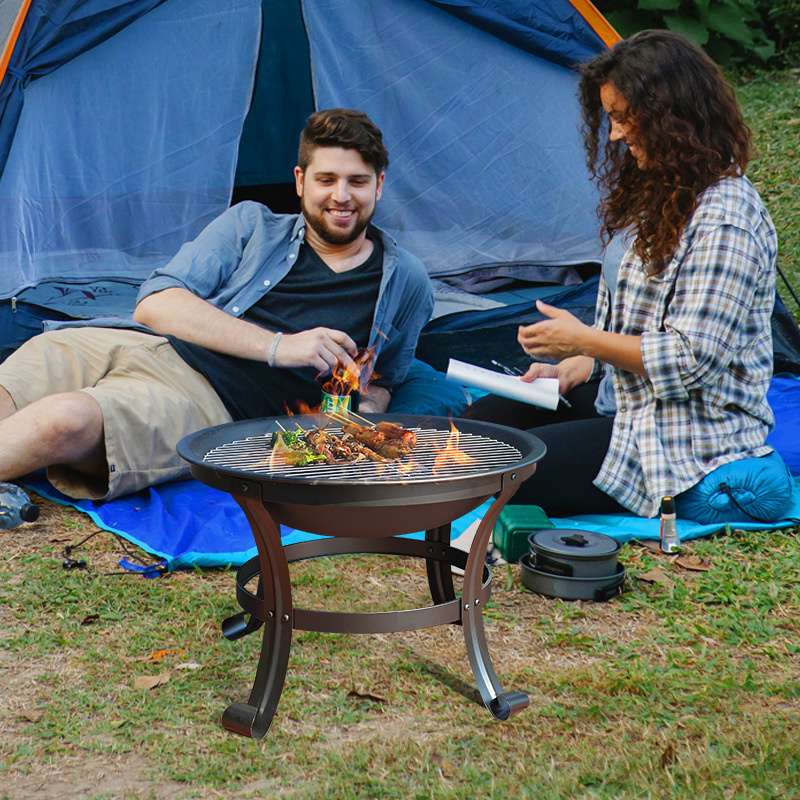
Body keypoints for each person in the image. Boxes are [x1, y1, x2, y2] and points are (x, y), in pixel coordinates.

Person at [0, 109, 434, 501]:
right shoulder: (251, 225)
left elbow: (382, 378)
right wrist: (280, 346)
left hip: (207, 400)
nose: (341, 196)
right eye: (326, 180)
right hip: (140, 342)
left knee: (64, 419)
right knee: (16, 383)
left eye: (357, 181)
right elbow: (155, 304)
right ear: (301, 181)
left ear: (378, 185)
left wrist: (364, 419)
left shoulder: (406, 281)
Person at [461, 30, 793, 523]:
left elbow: (689, 360)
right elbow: (640, 327)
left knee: (509, 470)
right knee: (476, 430)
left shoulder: (727, 218)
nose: (614, 134)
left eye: (620, 117)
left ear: (669, 116)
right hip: (625, 402)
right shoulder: (662, 191)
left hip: (684, 432)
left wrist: (586, 341)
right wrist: (578, 367)